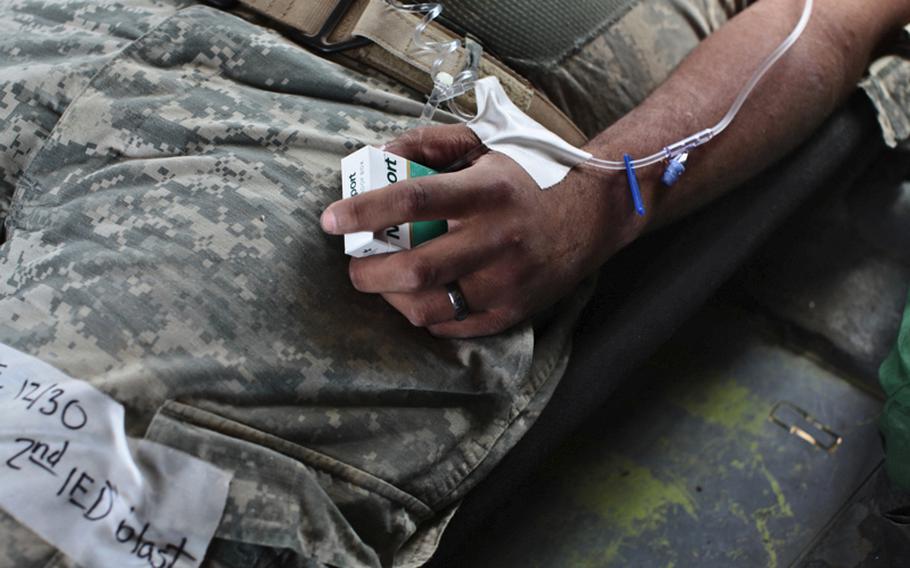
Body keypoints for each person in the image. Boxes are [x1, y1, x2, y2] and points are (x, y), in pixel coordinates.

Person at [0, 0, 907, 566]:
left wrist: (599, 193)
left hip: (349, 127)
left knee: (34, 501)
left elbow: (827, 17)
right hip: (54, 23)